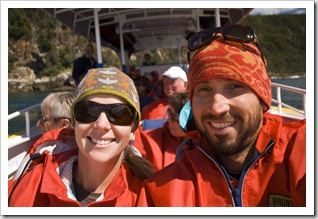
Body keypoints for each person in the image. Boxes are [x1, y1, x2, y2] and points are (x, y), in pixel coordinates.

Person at [137, 25, 306, 207]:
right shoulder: (160, 193)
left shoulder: (302, 150)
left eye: (234, 86)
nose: (217, 108)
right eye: (204, 89)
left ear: (263, 97)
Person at [8, 67, 154, 207]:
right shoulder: (33, 182)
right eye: (88, 111)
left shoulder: (148, 196)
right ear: (74, 123)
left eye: (119, 113)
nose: (102, 124)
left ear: (133, 129)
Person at [133, 92, 191, 172]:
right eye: (170, 114)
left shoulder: (204, 145)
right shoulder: (151, 137)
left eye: (176, 118)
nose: (170, 120)